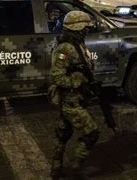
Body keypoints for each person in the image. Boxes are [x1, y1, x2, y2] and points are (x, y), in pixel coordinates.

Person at [49, 10, 100, 178]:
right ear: (77, 28)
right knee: (92, 132)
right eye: (85, 27)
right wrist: (76, 82)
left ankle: (56, 168)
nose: (87, 30)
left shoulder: (77, 43)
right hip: (70, 100)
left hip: (77, 98)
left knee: (63, 134)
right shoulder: (65, 47)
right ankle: (76, 165)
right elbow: (57, 76)